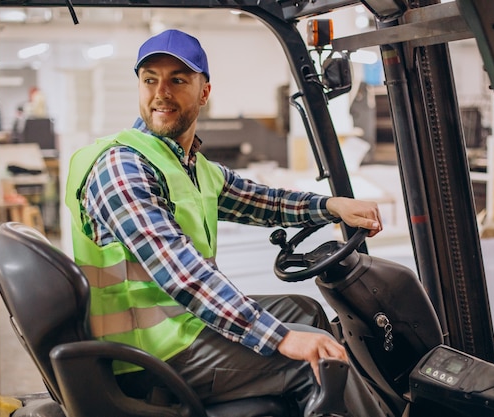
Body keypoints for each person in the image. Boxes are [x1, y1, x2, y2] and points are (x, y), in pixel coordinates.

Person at [65, 29, 385, 415]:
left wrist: (332, 205)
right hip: (144, 357)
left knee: (306, 312)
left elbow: (262, 201)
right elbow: (183, 273)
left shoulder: (188, 166)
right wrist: (280, 339)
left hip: (179, 328)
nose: (160, 92)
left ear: (204, 92)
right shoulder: (122, 167)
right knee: (320, 362)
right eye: (150, 79)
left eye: (177, 80)